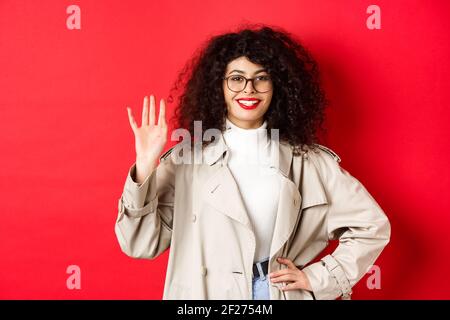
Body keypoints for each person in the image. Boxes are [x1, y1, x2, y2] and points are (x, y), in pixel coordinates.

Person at [115, 25, 391, 300]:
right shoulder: (185, 161)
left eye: (262, 78)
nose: (249, 89)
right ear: (219, 86)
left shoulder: (309, 162)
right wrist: (144, 165)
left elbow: (372, 226)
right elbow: (139, 245)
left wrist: (319, 278)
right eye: (236, 78)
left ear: (277, 86)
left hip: (274, 293)